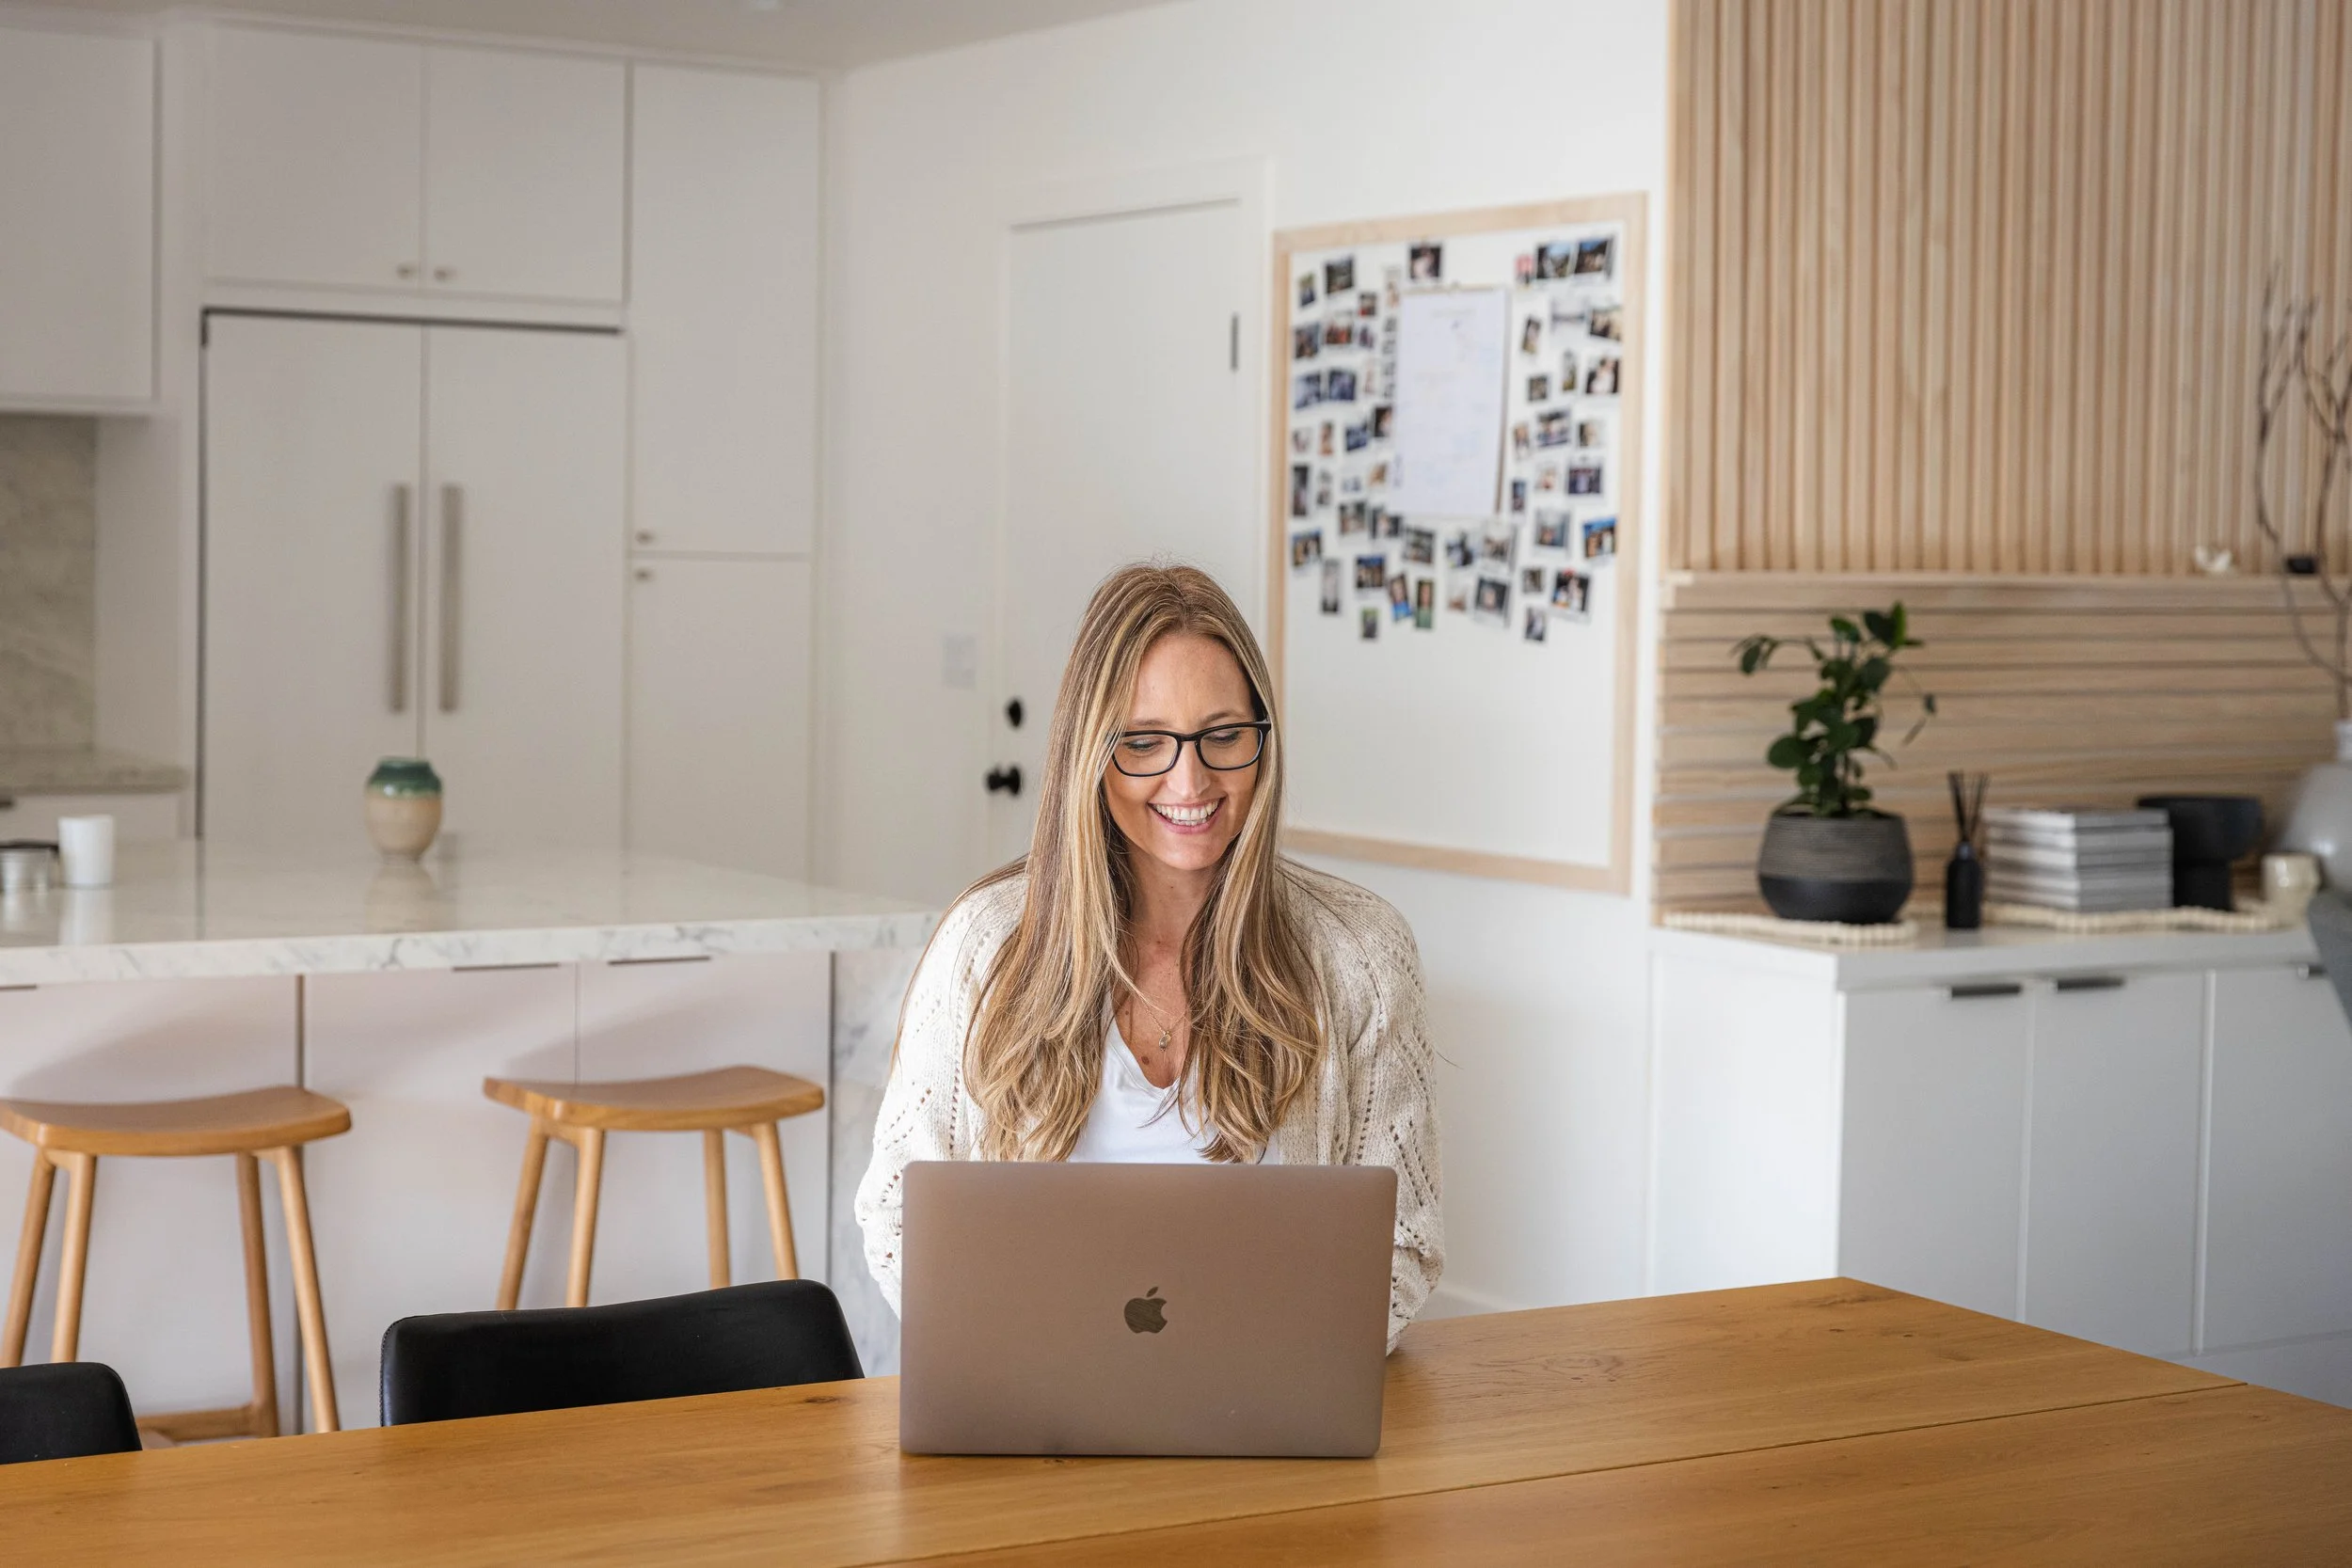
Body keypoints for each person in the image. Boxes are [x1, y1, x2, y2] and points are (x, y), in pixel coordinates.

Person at [855, 564, 1442, 1351]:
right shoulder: (984, 944)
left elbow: (1403, 1245)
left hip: (1260, 1406)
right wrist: (1019, 1359)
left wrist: (1247, 1365)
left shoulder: (1362, 952)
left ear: (1263, 743)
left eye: (1223, 734)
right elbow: (897, 1215)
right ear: (1090, 753)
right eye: (1144, 741)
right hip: (1036, 1399)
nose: (1189, 779)